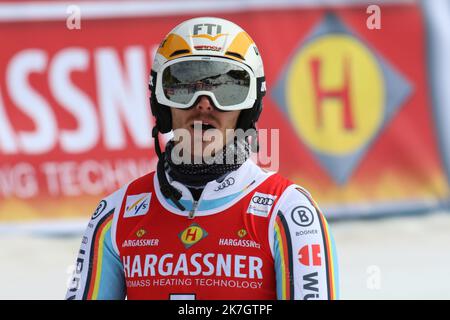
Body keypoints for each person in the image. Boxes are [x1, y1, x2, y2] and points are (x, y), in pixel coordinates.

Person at [65, 17, 339, 300]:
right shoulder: (115, 215)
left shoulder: (289, 214)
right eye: (184, 85)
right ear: (161, 104)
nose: (205, 103)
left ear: (248, 109)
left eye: (228, 88)